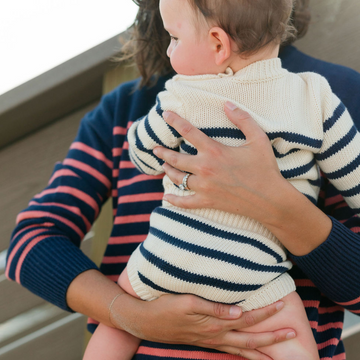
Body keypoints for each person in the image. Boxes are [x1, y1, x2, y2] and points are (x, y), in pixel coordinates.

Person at [5, 0, 360, 359]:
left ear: (218, 42)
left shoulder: (337, 96)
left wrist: (275, 203)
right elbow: (31, 242)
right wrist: (131, 316)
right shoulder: (128, 107)